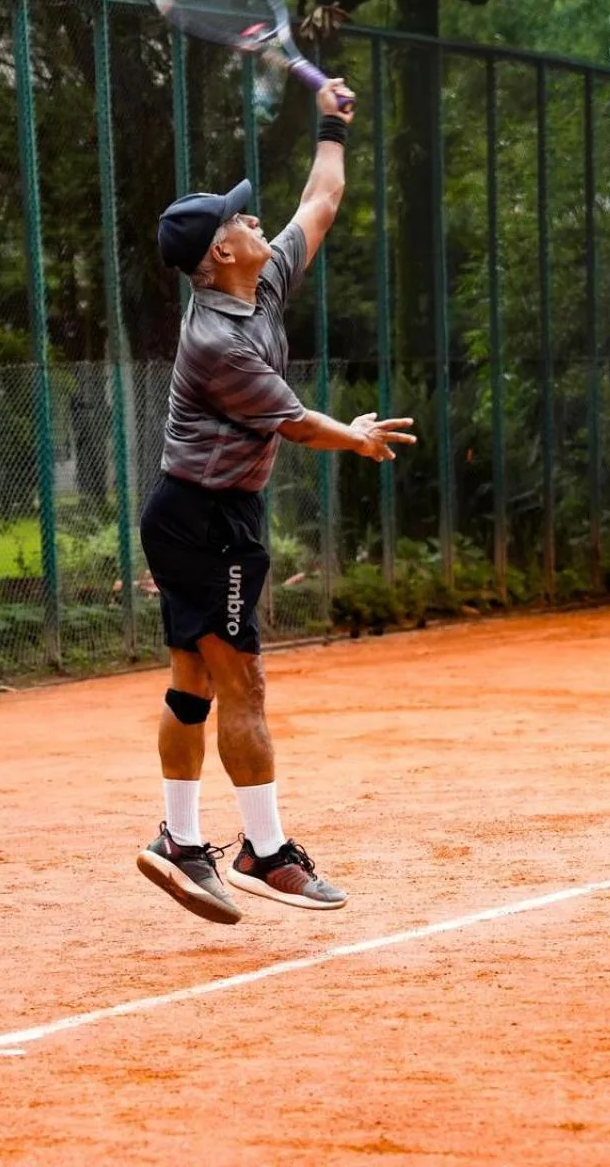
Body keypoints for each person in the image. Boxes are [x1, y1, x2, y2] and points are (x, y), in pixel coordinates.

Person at [136, 78, 417, 925]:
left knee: (194, 681)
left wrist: (331, 122)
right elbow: (295, 424)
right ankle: (263, 849)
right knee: (244, 681)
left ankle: (179, 840)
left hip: (202, 513)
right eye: (241, 220)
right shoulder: (217, 340)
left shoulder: (257, 285)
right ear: (220, 253)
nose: (258, 223)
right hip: (206, 520)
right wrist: (359, 437)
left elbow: (321, 201)